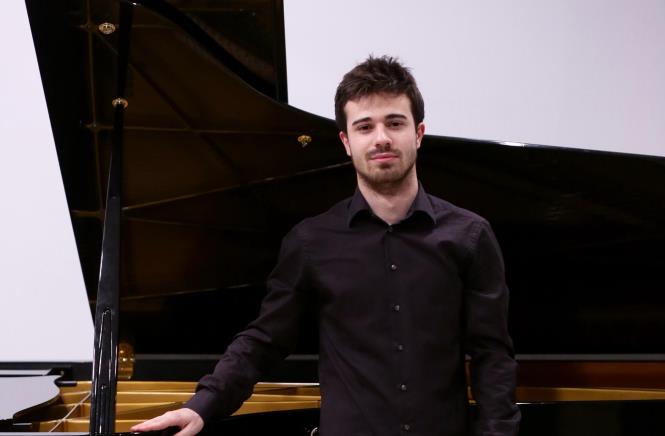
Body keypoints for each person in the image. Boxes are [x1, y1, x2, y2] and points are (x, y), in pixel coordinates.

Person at [132, 55, 520, 436]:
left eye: (394, 123)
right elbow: (265, 340)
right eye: (365, 126)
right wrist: (202, 405)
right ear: (346, 142)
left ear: (418, 134)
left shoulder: (469, 236)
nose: (381, 138)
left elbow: (492, 356)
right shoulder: (311, 242)